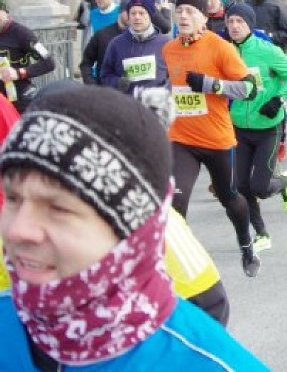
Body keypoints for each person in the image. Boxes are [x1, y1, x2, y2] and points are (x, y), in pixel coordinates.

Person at [0, 85, 267, 369]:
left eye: (58, 209)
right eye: (13, 199)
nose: (18, 230)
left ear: (133, 232)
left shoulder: (206, 363)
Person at [161, 0, 261, 277]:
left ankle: (246, 243)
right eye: (179, 11)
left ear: (204, 18)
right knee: (176, 201)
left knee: (229, 196)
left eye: (190, 12)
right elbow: (173, 89)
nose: (183, 16)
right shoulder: (169, 49)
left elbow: (249, 89)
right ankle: (180, 266)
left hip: (217, 139)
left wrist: (212, 85)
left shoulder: (220, 47)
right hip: (181, 138)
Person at [227, 1, 287, 253]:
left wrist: (277, 99)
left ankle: (283, 181)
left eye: (240, 22)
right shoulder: (225, 52)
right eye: (231, 22)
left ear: (250, 25)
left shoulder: (267, 51)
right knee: (240, 186)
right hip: (238, 127)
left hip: (268, 126)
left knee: (259, 187)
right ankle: (261, 233)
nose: (234, 26)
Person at [100, 0, 171, 93]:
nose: (137, 17)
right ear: (129, 17)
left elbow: (175, 76)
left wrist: (164, 90)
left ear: (150, 16)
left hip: (156, 105)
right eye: (133, 13)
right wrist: (117, 82)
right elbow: (105, 75)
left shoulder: (166, 43)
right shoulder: (116, 44)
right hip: (127, 104)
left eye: (142, 13)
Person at [0, 0, 55, 113]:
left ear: (5, 11)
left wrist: (18, 73)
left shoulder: (22, 34)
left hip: (19, 99)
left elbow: (49, 63)